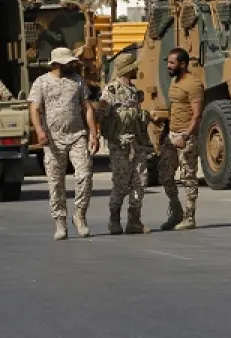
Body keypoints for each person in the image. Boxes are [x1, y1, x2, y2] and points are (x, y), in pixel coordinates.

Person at [28, 47, 98, 240]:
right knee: (56, 182)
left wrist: (93, 134)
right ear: (57, 63)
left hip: (77, 135)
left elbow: (87, 108)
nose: (72, 65)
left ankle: (80, 216)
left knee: (85, 175)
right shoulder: (41, 82)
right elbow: (34, 108)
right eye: (68, 62)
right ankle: (60, 221)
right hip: (53, 139)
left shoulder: (77, 81)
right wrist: (40, 131)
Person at [98, 50, 152, 235]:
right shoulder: (111, 91)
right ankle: (114, 220)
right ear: (128, 70)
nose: (137, 71)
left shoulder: (134, 91)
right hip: (120, 145)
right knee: (121, 183)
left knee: (140, 181)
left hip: (137, 143)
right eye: (134, 68)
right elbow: (101, 116)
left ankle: (134, 221)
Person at [155, 47, 203, 231]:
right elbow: (174, 109)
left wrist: (186, 136)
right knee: (165, 175)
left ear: (183, 64)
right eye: (168, 62)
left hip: (186, 136)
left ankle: (190, 217)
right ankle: (176, 212)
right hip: (171, 135)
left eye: (172, 63)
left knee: (188, 177)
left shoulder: (193, 84)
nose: (168, 66)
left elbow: (197, 115)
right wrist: (164, 131)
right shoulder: (174, 81)